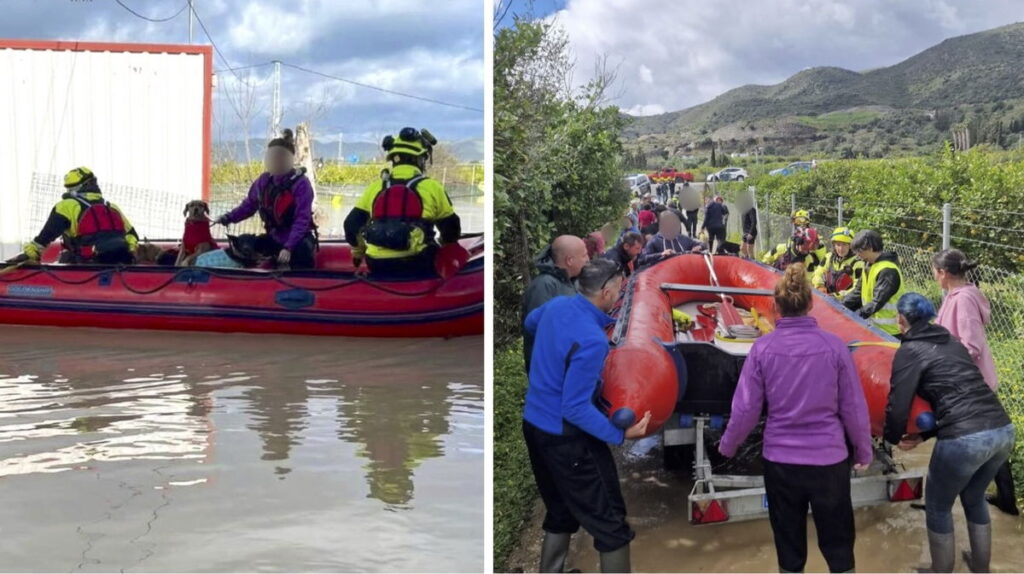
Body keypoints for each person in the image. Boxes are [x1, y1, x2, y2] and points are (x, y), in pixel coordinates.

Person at [719, 263, 873, 574]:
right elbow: (853, 407)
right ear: (811, 304)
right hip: (829, 463)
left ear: (774, 306)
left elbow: (746, 408)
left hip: (781, 463)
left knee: (789, 547)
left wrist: (728, 446)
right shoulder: (835, 347)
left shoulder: (762, 348)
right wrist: (864, 450)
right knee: (839, 543)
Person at [522, 258, 652, 573]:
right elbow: (575, 406)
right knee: (610, 522)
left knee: (561, 509)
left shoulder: (557, 307)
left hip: (534, 425)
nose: (621, 293)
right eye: (619, 288)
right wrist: (621, 435)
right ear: (606, 292)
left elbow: (530, 323)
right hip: (566, 437)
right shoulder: (592, 341)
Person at [885, 293, 1015, 574]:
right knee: (973, 496)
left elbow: (898, 404)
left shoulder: (909, 351)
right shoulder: (951, 342)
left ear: (901, 319)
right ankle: (980, 567)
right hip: (1002, 430)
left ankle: (940, 569)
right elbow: (954, 397)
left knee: (938, 506)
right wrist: (923, 437)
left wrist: (891, 438)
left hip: (965, 438)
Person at [932, 249, 1018, 516]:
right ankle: (1005, 497)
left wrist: (944, 362)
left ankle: (995, 496)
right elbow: (942, 327)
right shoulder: (955, 296)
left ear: (944, 273)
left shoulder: (965, 300)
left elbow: (971, 346)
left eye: (935, 271)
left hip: (973, 383)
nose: (934, 276)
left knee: (975, 437)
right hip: (969, 380)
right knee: (991, 442)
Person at [344, 127, 460, 275]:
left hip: (377, 263)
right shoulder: (432, 187)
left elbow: (350, 225)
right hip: (417, 262)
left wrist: (358, 252)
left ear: (393, 158)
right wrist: (447, 247)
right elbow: (451, 228)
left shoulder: (375, 188)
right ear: (421, 159)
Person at [216, 129, 317, 270]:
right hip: (274, 238)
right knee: (246, 243)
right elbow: (248, 206)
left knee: (301, 253)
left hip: (298, 240)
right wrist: (228, 217)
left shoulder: (301, 184)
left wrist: (288, 247)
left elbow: (302, 219)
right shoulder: (263, 181)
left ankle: (302, 279)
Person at [7, 167, 139, 265]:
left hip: (86, 265)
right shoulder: (111, 206)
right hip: (121, 263)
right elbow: (132, 235)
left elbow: (45, 237)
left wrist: (30, 253)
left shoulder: (67, 206)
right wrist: (130, 248)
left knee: (66, 258)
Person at [521, 235, 589, 371]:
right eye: (584, 255)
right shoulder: (544, 285)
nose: (588, 259)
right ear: (570, 260)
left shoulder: (571, 281)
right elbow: (540, 330)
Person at [842, 230, 905, 336]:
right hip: (874, 326)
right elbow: (858, 292)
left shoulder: (887, 270)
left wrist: (856, 316)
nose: (858, 255)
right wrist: (841, 306)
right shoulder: (869, 265)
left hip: (891, 331)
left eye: (860, 252)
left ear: (870, 248)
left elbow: (877, 302)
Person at [638, 210, 705, 268]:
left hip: (684, 274)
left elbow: (703, 244)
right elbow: (642, 259)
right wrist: (661, 254)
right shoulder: (654, 241)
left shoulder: (682, 238)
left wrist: (699, 246)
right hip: (665, 278)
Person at [812, 227, 863, 298]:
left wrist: (836, 296)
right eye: (838, 245)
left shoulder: (858, 264)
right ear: (834, 245)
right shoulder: (828, 257)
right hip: (827, 299)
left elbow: (857, 288)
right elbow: (818, 273)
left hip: (847, 304)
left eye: (844, 244)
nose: (841, 249)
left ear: (851, 246)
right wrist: (820, 285)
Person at [761, 228, 825, 273]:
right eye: (807, 245)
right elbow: (764, 262)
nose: (808, 249)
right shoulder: (781, 248)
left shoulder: (808, 260)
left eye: (812, 247)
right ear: (799, 241)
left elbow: (808, 279)